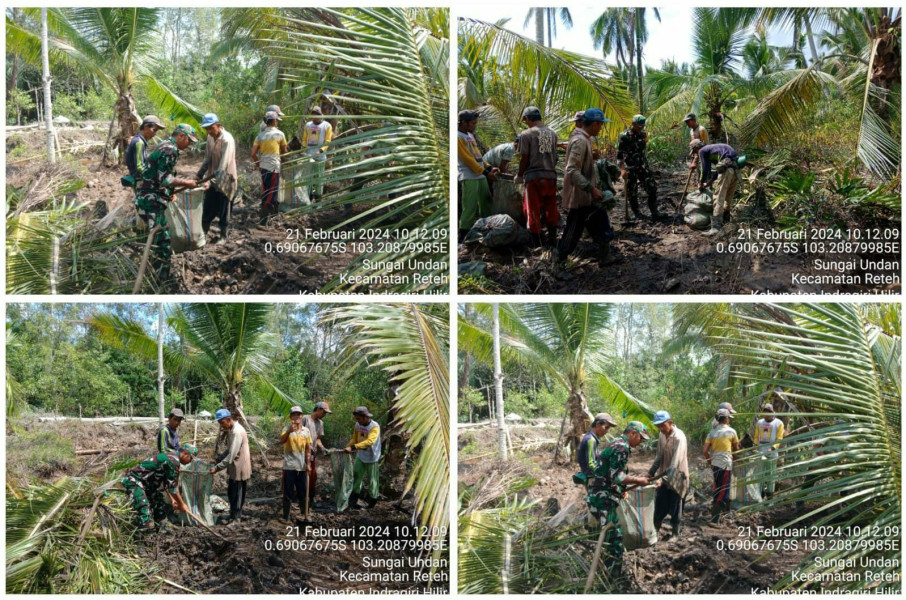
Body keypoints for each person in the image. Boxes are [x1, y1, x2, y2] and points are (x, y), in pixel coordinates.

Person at [134, 124, 199, 283]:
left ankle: (149, 268)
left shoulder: (164, 144)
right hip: (151, 200)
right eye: (188, 141)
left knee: (154, 235)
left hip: (147, 196)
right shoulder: (170, 150)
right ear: (181, 136)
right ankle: (161, 279)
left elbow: (157, 176)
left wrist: (169, 194)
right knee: (163, 241)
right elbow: (165, 179)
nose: (189, 144)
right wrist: (187, 183)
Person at [555, 108, 617, 267]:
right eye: (600, 125)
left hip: (588, 195)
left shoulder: (585, 139)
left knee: (601, 220)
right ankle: (558, 263)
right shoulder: (580, 141)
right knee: (573, 230)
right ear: (595, 123)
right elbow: (572, 170)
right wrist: (591, 188)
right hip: (580, 195)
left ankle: (605, 256)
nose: (601, 128)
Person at [587, 422, 651, 578]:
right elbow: (617, 477)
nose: (641, 442)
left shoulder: (616, 442)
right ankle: (613, 576)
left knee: (606, 533)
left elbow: (609, 473)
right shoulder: (622, 447)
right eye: (640, 438)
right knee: (615, 538)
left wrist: (620, 490)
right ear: (633, 433)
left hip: (600, 493)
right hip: (603, 497)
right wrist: (638, 480)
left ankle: (602, 566)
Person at [121, 444, 194, 529]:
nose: (190, 461)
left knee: (159, 505)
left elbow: (167, 484)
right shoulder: (173, 461)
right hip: (135, 481)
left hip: (148, 485)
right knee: (144, 508)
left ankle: (163, 531)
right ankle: (145, 536)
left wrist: (173, 499)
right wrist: (182, 504)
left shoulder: (172, 458)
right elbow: (173, 487)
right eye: (191, 458)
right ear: (185, 454)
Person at [516, 106, 559, 248]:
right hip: (550, 176)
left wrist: (520, 175)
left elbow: (524, 158)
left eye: (525, 120)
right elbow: (552, 155)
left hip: (534, 177)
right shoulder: (551, 133)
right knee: (551, 207)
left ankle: (537, 242)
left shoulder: (527, 134)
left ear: (527, 118)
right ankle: (553, 238)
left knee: (532, 209)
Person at [196, 113, 238, 244]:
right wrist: (198, 175)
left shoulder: (227, 140)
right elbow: (207, 159)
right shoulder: (210, 137)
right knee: (207, 207)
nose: (208, 131)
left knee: (224, 210)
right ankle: (203, 235)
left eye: (211, 128)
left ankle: (223, 236)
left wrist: (209, 182)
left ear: (218, 126)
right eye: (206, 128)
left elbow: (223, 166)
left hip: (226, 180)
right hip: (213, 179)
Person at [647, 410, 689, 538]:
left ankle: (675, 534)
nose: (660, 428)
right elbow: (659, 456)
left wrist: (661, 479)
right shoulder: (661, 435)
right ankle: (655, 532)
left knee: (676, 507)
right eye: (658, 426)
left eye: (662, 425)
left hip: (677, 477)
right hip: (663, 475)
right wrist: (650, 473)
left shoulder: (679, 438)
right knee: (659, 504)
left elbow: (674, 464)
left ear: (670, 423)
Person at [689, 139, 740, 236]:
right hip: (735, 169)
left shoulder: (702, 151)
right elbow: (719, 168)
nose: (696, 153)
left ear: (697, 147)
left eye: (694, 151)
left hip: (727, 169)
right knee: (727, 197)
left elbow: (705, 169)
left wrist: (701, 182)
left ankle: (716, 227)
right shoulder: (714, 149)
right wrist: (710, 182)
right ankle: (726, 221)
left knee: (718, 197)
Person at [457, 110, 495, 239]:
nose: (475, 125)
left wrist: (489, 168)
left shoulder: (469, 135)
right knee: (469, 207)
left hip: (480, 175)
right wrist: (485, 172)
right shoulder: (458, 137)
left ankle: (487, 228)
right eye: (473, 123)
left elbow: (477, 156)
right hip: (469, 176)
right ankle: (463, 235)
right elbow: (468, 160)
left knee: (486, 202)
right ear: (464, 123)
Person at [210, 408, 252, 523]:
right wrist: (218, 459)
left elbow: (232, 455)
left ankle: (236, 518)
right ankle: (233, 515)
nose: (221, 426)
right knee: (231, 492)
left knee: (237, 494)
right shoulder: (232, 429)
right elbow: (230, 450)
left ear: (228, 419)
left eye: (222, 423)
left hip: (240, 466)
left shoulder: (236, 431)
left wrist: (217, 468)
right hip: (235, 466)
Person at [617, 114, 660, 221]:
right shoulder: (624, 136)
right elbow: (619, 154)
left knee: (652, 187)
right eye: (639, 126)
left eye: (642, 126)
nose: (641, 128)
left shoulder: (643, 134)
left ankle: (654, 212)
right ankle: (637, 213)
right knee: (632, 191)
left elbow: (644, 145)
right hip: (630, 167)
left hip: (643, 166)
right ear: (633, 124)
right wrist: (622, 169)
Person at [252, 110, 288, 225]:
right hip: (274, 167)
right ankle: (263, 221)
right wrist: (286, 163)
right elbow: (284, 152)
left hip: (263, 167)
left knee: (266, 191)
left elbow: (253, 153)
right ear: (275, 121)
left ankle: (270, 217)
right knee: (272, 193)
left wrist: (259, 165)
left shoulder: (260, 136)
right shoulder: (280, 134)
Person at [704, 408, 740, 523]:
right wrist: (738, 460)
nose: (729, 419)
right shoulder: (732, 432)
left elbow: (705, 451)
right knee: (724, 492)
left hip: (715, 464)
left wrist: (710, 462)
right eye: (728, 417)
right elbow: (736, 450)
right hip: (725, 465)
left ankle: (719, 515)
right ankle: (714, 520)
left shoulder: (712, 433)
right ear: (726, 419)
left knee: (717, 489)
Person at [344, 406, 381, 509]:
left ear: (365, 417)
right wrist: (348, 446)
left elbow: (370, 442)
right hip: (361, 455)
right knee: (356, 476)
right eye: (356, 419)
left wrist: (353, 447)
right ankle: (353, 501)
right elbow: (355, 438)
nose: (357, 421)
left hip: (372, 457)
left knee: (372, 480)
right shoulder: (357, 425)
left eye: (359, 418)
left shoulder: (374, 427)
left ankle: (372, 503)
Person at [279, 406, 312, 521]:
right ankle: (286, 516)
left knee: (302, 491)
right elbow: (282, 440)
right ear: (291, 417)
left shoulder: (306, 431)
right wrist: (289, 431)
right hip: (289, 466)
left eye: (298, 415)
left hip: (302, 466)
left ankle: (304, 514)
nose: (296, 417)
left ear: (302, 416)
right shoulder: (286, 429)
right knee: (288, 492)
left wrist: (308, 463)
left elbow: (308, 448)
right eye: (294, 415)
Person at [124, 115, 165, 193]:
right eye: (154, 130)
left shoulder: (138, 140)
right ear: (146, 127)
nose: (155, 134)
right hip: (141, 182)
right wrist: (155, 176)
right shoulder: (139, 142)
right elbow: (139, 167)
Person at [301, 401, 332, 504]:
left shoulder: (320, 423)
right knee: (301, 475)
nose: (324, 415)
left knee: (313, 475)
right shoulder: (305, 419)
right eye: (324, 412)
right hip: (301, 453)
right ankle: (300, 498)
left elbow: (317, 439)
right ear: (318, 409)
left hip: (312, 454)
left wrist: (322, 448)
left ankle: (310, 497)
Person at [301, 106, 333, 200]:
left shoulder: (326, 126)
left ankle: (318, 198)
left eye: (315, 116)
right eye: (312, 116)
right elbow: (304, 139)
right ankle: (309, 197)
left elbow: (327, 141)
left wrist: (321, 150)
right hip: (308, 156)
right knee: (308, 178)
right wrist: (303, 149)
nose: (313, 118)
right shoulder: (308, 125)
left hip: (320, 157)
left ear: (320, 116)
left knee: (319, 178)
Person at [754, 403, 784, 499]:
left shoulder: (778, 423)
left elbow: (779, 438)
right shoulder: (759, 423)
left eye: (768, 413)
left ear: (772, 413)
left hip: (772, 454)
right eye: (764, 413)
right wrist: (754, 447)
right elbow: (756, 437)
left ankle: (770, 497)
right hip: (760, 453)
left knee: (771, 476)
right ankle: (760, 495)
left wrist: (773, 447)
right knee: (760, 475)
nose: (766, 416)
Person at [577, 412, 618, 479]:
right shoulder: (591, 440)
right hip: (591, 476)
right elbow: (591, 464)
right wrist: (603, 472)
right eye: (606, 427)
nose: (607, 431)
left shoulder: (592, 438)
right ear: (598, 424)